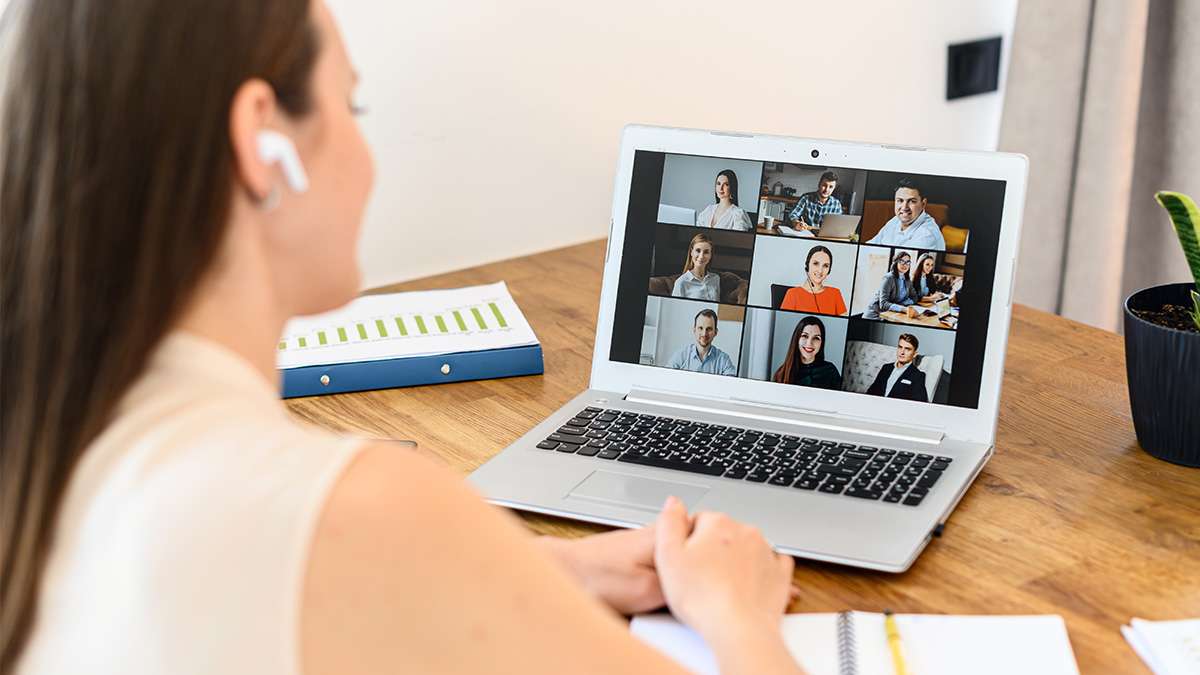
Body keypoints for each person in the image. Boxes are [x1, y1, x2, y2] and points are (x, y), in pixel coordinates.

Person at [0, 2, 803, 674]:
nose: (367, 155)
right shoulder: (359, 505)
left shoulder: (55, 442)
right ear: (263, 143)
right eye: (351, 107)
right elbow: (337, 544)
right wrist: (736, 614)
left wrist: (549, 568)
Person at [866, 178, 946, 250]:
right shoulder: (895, 221)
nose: (904, 207)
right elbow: (870, 245)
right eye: (900, 200)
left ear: (923, 204)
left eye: (912, 201)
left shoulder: (927, 236)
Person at [771, 316, 843, 389]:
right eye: (805, 336)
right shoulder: (781, 374)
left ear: (822, 343)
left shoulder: (830, 371)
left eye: (816, 338)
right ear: (797, 339)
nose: (809, 343)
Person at [780, 245, 848, 315]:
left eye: (825, 266)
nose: (820, 270)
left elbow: (845, 323)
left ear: (829, 270)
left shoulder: (835, 293)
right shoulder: (792, 294)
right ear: (807, 265)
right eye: (816, 263)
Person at [666, 309, 737, 375]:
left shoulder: (724, 360)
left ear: (715, 332)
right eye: (700, 328)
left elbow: (731, 385)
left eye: (709, 329)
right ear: (694, 330)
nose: (704, 334)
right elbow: (667, 377)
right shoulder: (681, 356)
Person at [866, 334, 929, 402]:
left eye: (907, 349)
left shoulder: (918, 376)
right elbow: (871, 391)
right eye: (900, 347)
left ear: (914, 354)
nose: (902, 352)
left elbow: (919, 403)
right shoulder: (886, 368)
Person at [863, 251, 920, 320]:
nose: (905, 265)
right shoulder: (888, 278)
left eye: (908, 262)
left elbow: (914, 297)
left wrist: (902, 305)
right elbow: (883, 304)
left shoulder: (907, 280)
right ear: (896, 262)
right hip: (876, 315)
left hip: (892, 314)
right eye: (902, 261)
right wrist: (904, 309)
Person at [671, 233, 721, 301]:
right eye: (698, 251)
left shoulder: (716, 279)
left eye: (706, 252)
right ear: (691, 252)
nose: (701, 256)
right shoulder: (681, 283)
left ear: (710, 255)